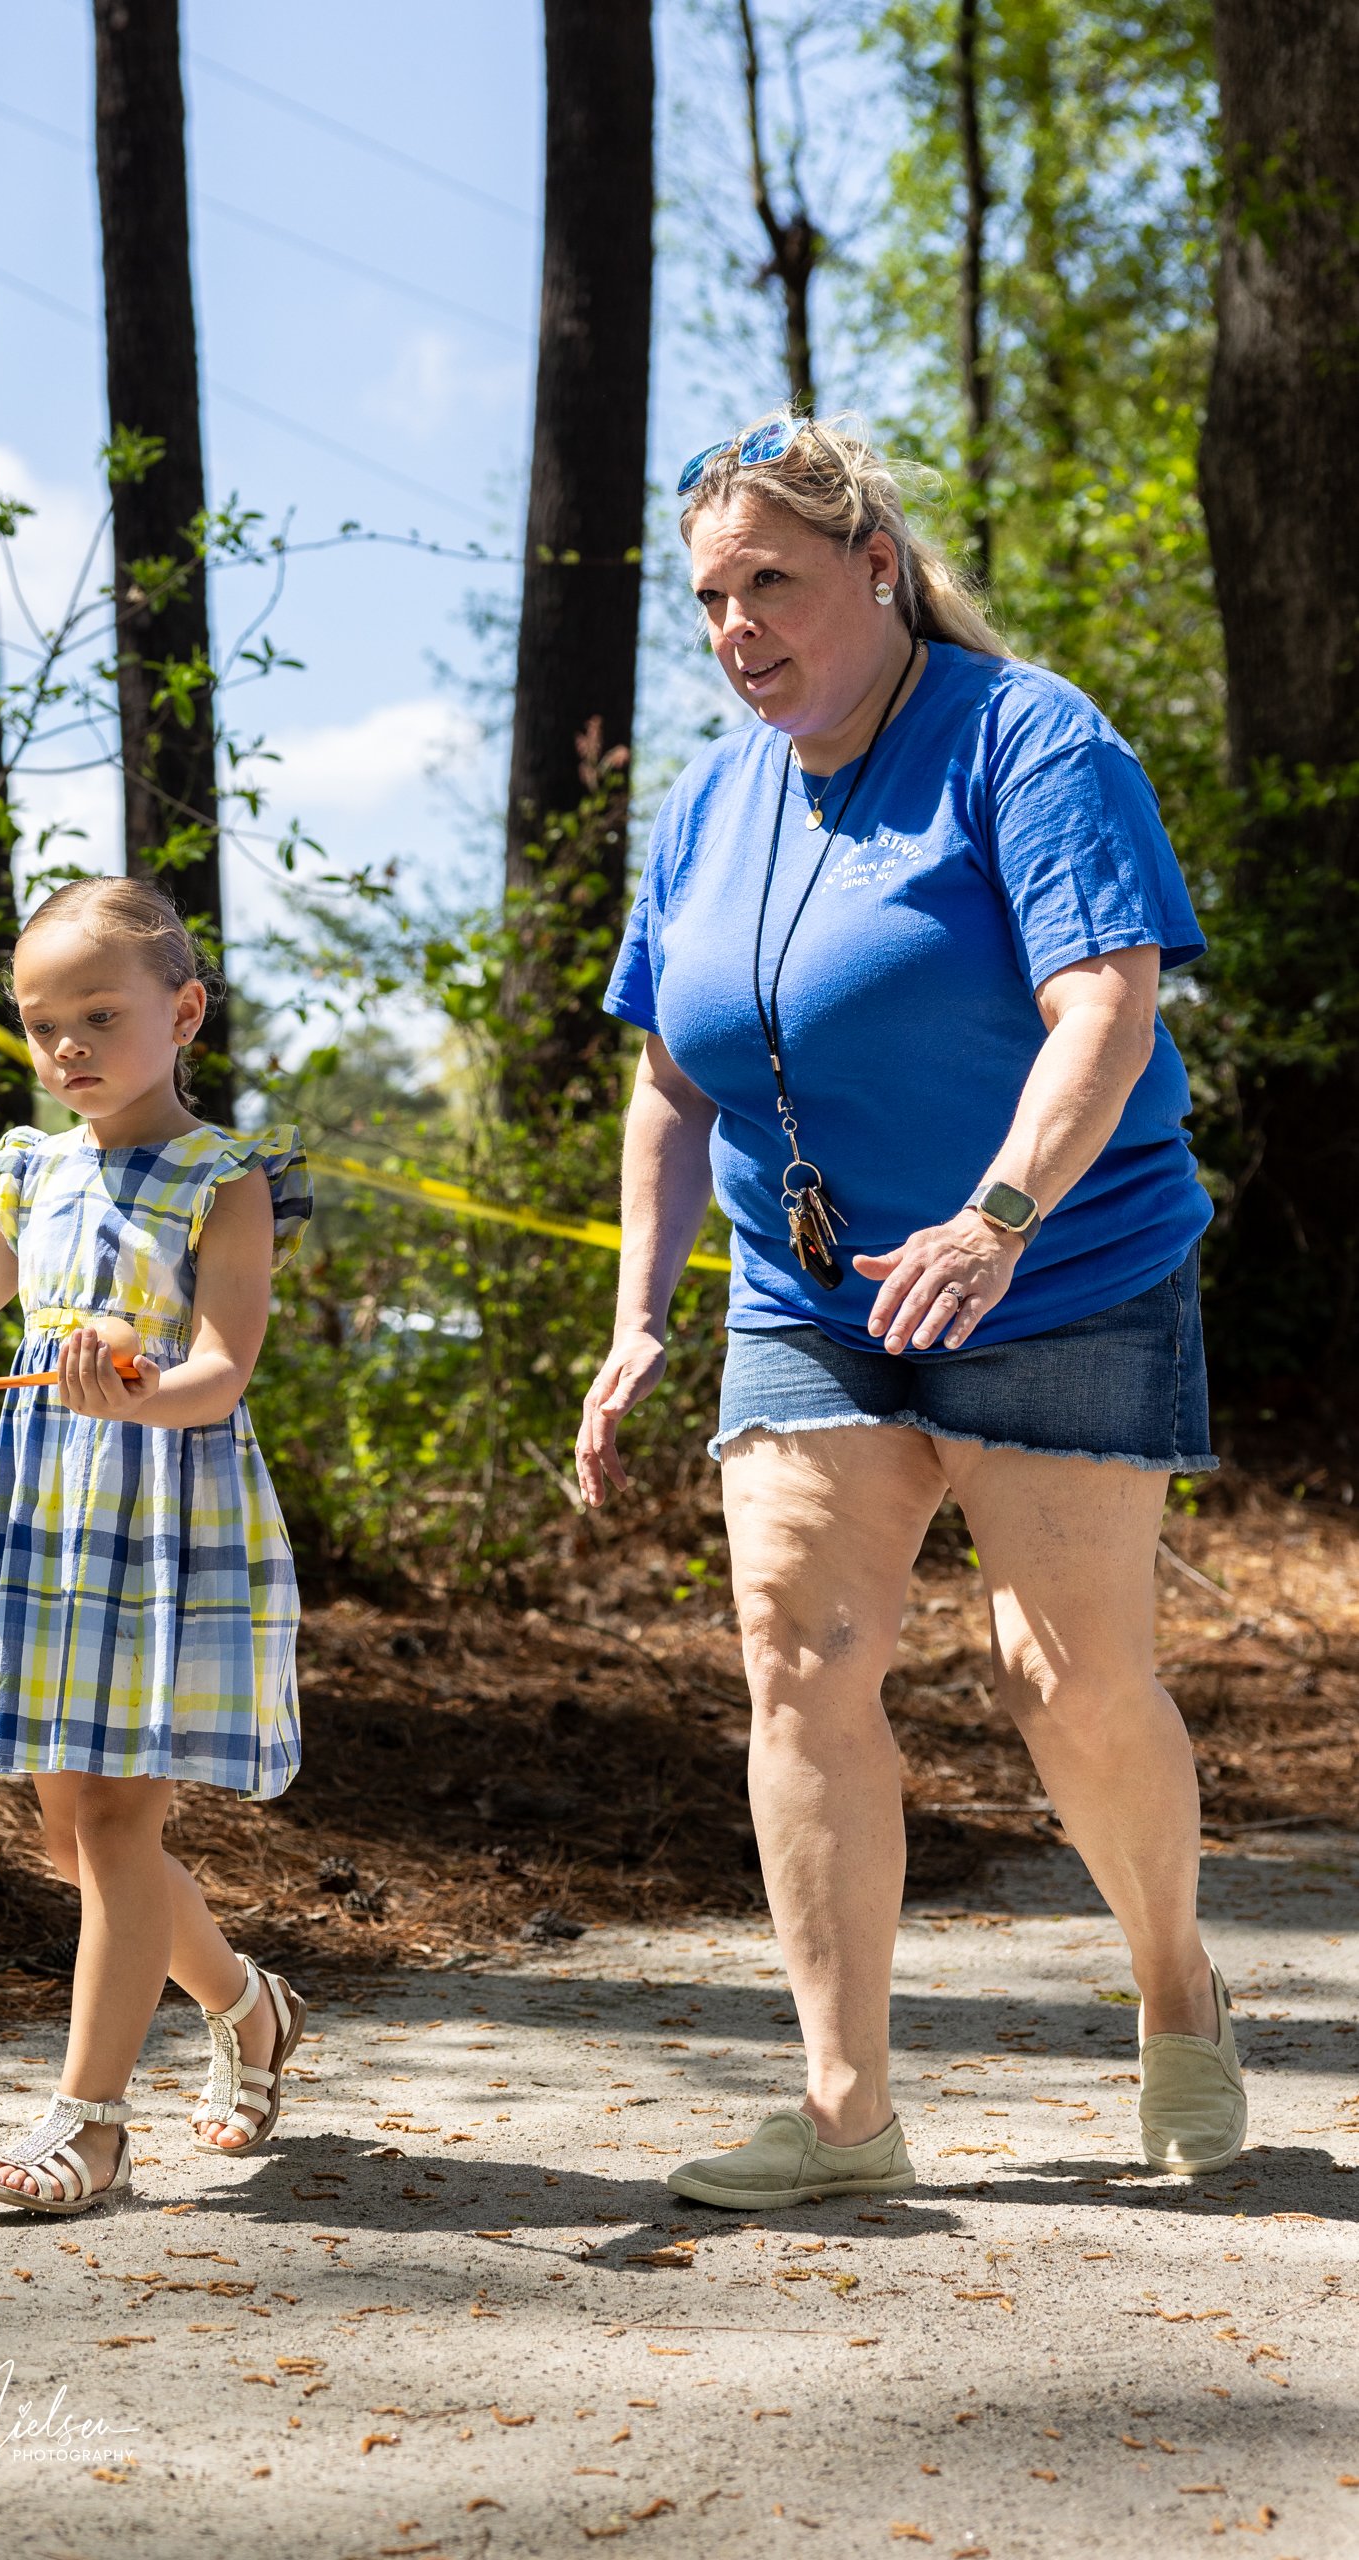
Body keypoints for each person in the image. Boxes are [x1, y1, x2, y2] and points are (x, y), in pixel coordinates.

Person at [575, 411, 1245, 2209]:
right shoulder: (711, 806)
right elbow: (670, 1083)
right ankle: (845, 2111)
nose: (737, 629)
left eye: (771, 584)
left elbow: (1109, 1005)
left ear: (876, 566)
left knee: (1065, 1678)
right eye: (709, 598)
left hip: (1065, 1265)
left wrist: (998, 1215)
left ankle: (1173, 1980)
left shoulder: (1026, 738)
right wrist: (640, 1313)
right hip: (810, 1292)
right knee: (797, 1654)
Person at [0, 876, 312, 2214]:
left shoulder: (226, 1182)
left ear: (184, 1013)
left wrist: (137, 1390)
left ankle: (90, 2125)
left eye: (100, 1016)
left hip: (165, 1522)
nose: (68, 1046)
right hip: (53, 1530)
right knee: (74, 1845)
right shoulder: (29, 1172)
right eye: (42, 1023)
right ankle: (249, 2006)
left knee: (117, 1823)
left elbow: (220, 1374)